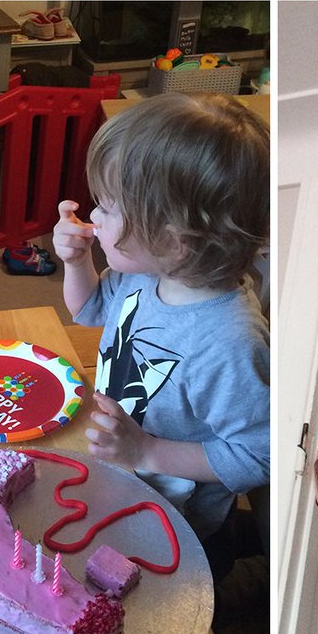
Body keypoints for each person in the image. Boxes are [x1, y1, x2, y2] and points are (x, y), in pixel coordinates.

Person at [52, 92, 270, 575]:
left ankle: (244, 588)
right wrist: (76, 261)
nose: (95, 218)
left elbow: (257, 456)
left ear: (172, 239)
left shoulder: (227, 342)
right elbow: (88, 310)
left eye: (108, 208)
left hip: (183, 524)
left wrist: (146, 450)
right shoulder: (145, 273)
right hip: (124, 474)